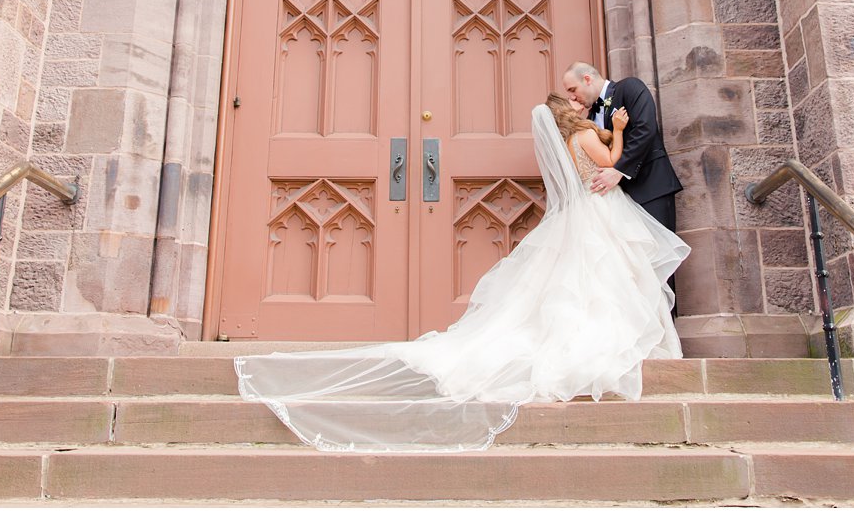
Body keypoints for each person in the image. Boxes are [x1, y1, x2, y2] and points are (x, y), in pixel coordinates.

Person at [234, 97, 689, 452]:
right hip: (599, 212)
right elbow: (609, 163)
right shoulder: (586, 137)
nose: (579, 105)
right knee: (600, 279)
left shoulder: (567, 143)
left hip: (584, 214)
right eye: (572, 103)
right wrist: (620, 132)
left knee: (583, 281)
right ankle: (601, 340)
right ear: (564, 118)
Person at [560, 62, 682, 234]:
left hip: (650, 188)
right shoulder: (590, 116)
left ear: (587, 79)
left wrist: (619, 171)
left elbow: (645, 128)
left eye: (573, 90)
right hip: (618, 202)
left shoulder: (629, 87)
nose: (572, 97)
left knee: (659, 253)